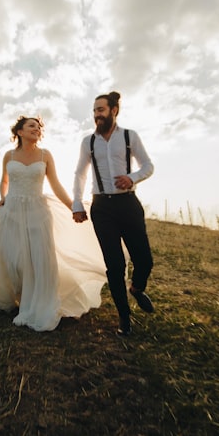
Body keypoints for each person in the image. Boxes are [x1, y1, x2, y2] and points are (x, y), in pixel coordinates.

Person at [0, 116, 105, 332]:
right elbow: (4, 181)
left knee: (40, 258)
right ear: (19, 132)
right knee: (14, 257)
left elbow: (56, 184)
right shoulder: (8, 155)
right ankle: (19, 295)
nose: (37, 129)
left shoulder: (45, 155)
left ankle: (39, 303)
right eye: (32, 126)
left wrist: (73, 206)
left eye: (39, 127)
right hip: (11, 211)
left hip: (37, 212)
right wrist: (3, 196)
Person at [72, 91, 156, 336]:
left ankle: (137, 289)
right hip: (102, 208)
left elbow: (148, 165)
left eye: (101, 109)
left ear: (113, 111)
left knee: (144, 260)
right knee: (115, 265)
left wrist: (132, 178)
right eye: (94, 110)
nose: (96, 114)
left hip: (128, 204)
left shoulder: (130, 136)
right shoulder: (88, 142)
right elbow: (79, 173)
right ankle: (124, 319)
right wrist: (77, 204)